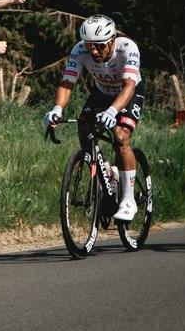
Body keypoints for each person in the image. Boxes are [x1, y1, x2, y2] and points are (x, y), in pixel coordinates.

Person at [44, 14, 144, 221]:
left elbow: (129, 87)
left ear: (112, 40)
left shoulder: (127, 48)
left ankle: (128, 200)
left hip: (128, 93)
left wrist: (112, 111)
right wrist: (57, 109)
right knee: (85, 130)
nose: (94, 51)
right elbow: (67, 84)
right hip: (101, 92)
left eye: (99, 46)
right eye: (90, 46)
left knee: (120, 136)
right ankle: (108, 173)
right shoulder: (79, 50)